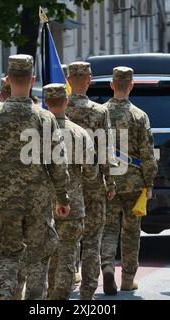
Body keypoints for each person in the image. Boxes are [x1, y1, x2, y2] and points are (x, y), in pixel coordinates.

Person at [0, 55, 70, 300]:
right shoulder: (45, 117)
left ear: (7, 80)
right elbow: (57, 163)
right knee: (37, 256)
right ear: (33, 79)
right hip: (37, 202)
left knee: (6, 254)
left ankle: (6, 295)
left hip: (4, 201)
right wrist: (63, 197)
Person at [101, 67, 158, 295]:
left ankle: (106, 265)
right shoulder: (139, 116)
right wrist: (149, 182)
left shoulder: (100, 113)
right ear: (131, 85)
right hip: (134, 183)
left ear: (112, 85)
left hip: (107, 181)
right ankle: (127, 279)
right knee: (132, 231)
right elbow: (147, 154)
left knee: (108, 228)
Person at [66, 61, 116, 300]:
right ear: (88, 80)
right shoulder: (99, 111)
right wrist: (110, 182)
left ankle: (63, 286)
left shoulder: (57, 111)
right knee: (92, 239)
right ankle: (88, 292)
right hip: (94, 183)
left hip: (65, 184)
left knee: (66, 238)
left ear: (68, 80)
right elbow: (106, 151)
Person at [43, 83, 98, 300]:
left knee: (46, 253)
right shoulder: (78, 132)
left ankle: (48, 296)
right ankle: (61, 296)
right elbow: (92, 172)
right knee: (67, 252)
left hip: (43, 203)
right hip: (72, 201)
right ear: (66, 102)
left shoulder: (36, 130)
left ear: (46, 103)